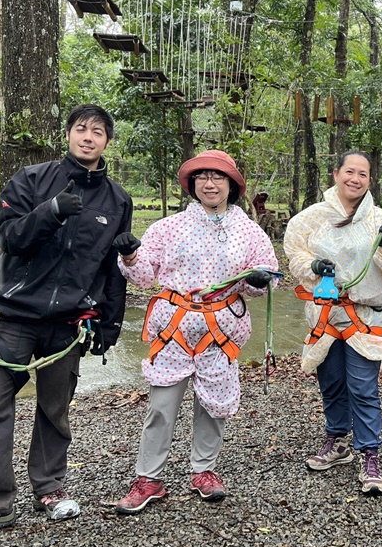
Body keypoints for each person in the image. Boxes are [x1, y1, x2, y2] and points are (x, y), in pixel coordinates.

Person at [0, 105, 133, 543]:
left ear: (107, 141)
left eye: (98, 132)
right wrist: (52, 211)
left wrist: (109, 323)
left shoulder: (117, 199)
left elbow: (111, 266)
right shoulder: (31, 179)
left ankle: (48, 487)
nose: (88, 137)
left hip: (68, 323)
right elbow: (8, 239)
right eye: (81, 129)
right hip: (13, 316)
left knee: (54, 408)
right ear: (68, 134)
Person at [113, 150, 278, 513]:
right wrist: (129, 257)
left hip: (220, 332)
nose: (209, 183)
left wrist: (258, 279)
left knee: (213, 406)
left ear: (231, 185)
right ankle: (149, 478)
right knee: (161, 406)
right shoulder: (166, 227)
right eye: (202, 176)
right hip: (173, 332)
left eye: (218, 177)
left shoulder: (249, 232)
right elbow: (144, 277)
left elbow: (264, 280)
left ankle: (204, 470)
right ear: (192, 184)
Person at [284, 150, 382, 495]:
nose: (355, 179)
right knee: (331, 382)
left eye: (363, 174)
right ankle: (337, 440)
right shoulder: (311, 218)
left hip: (364, 315)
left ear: (370, 181)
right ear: (336, 174)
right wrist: (313, 267)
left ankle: (370, 453)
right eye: (349, 172)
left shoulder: (379, 219)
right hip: (327, 313)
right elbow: (295, 251)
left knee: (362, 386)